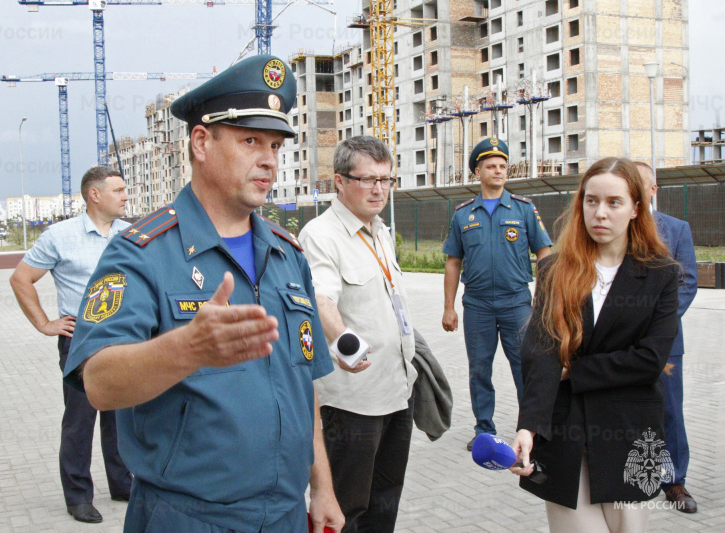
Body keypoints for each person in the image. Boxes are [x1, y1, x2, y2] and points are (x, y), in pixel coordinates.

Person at [62, 55, 344, 533]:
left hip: (285, 514)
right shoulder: (141, 253)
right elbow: (100, 384)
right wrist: (187, 349)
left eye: (275, 144)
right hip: (188, 517)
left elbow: (304, 387)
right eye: (251, 140)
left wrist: (323, 488)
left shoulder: (287, 254)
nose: (269, 159)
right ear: (200, 142)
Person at [511, 157, 680, 533]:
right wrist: (528, 426)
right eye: (591, 201)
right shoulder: (555, 270)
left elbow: (650, 360)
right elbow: (539, 351)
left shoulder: (662, 275)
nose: (600, 213)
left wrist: (575, 370)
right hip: (564, 431)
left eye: (613, 202)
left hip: (630, 432)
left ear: (637, 208)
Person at [298, 136, 417, 532]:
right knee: (344, 511)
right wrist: (345, 342)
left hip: (396, 394)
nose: (379, 189)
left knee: (385, 504)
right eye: (367, 180)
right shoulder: (321, 235)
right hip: (352, 406)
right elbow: (319, 298)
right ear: (339, 182)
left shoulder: (380, 230)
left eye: (385, 179)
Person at [9, 166, 132, 523]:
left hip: (125, 338)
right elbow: (21, 280)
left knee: (120, 417)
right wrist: (45, 324)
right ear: (95, 195)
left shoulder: (131, 235)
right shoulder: (59, 236)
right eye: (119, 190)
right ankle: (78, 496)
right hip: (81, 340)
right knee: (80, 421)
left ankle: (123, 484)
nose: (126, 196)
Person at [441, 137, 552, 450]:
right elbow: (453, 263)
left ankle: (531, 430)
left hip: (517, 303)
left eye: (503, 166)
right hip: (477, 306)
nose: (498, 171)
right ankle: (484, 431)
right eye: (491, 166)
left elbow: (544, 252)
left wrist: (543, 298)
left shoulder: (524, 209)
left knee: (526, 368)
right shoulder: (463, 215)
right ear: (478, 171)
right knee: (479, 369)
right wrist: (449, 307)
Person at [636, 161, 698, 513]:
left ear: (653, 190)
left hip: (665, 343)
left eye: (639, 185)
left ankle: (674, 482)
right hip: (620, 341)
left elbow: (687, 281)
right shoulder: (616, 228)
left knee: (670, 410)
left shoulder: (676, 230)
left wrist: (659, 325)